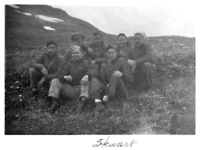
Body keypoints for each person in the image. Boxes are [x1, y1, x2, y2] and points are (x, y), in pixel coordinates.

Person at [47, 45, 105, 113]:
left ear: (82, 53)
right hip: (71, 89)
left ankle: (81, 105)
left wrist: (87, 76)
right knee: (55, 81)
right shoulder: (69, 64)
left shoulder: (86, 62)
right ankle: (55, 102)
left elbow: (94, 72)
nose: (75, 54)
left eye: (77, 53)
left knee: (86, 80)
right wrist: (64, 77)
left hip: (83, 89)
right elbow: (60, 74)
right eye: (73, 53)